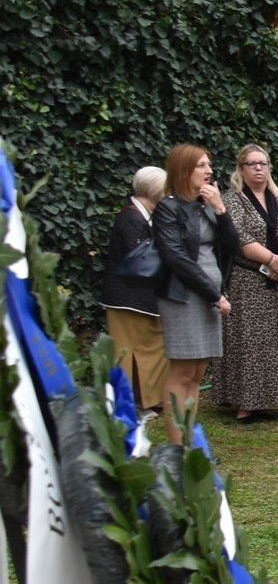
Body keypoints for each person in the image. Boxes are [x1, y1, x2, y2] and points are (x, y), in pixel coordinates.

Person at [214, 143, 278, 422]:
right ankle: (245, 403)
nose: (258, 168)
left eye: (263, 163)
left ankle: (272, 399)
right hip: (247, 280)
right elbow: (238, 237)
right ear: (240, 169)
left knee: (275, 343)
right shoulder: (232, 200)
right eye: (251, 163)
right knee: (248, 342)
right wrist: (270, 259)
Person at [154, 144, 241, 444]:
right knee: (182, 370)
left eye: (209, 165)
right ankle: (177, 446)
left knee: (197, 372)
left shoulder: (206, 204)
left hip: (211, 293)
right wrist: (213, 296)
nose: (209, 171)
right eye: (202, 165)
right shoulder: (168, 208)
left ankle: (190, 440)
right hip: (184, 295)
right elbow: (176, 258)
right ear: (183, 171)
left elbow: (233, 245)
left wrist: (221, 208)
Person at [102, 165, 169, 414]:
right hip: (127, 298)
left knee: (151, 347)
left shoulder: (144, 215)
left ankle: (148, 399)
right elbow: (140, 258)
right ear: (154, 189)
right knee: (127, 352)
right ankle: (130, 404)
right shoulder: (131, 217)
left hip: (141, 297)